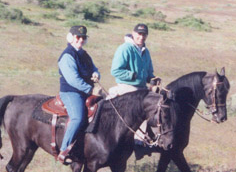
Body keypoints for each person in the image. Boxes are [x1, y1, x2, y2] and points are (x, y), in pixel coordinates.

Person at [110, 23, 161, 159]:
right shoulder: (125, 49)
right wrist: (132, 75)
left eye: (144, 34)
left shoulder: (145, 51)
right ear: (133, 34)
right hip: (127, 86)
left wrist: (153, 79)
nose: (141, 37)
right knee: (142, 108)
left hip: (141, 88)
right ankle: (139, 143)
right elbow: (115, 71)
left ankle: (156, 138)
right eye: (139, 34)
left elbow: (149, 72)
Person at [57, 25, 100, 163]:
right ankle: (64, 151)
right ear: (71, 38)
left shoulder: (84, 54)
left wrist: (95, 73)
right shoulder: (67, 56)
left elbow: (94, 68)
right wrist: (90, 89)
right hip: (71, 92)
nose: (80, 40)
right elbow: (73, 79)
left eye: (83, 38)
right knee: (77, 118)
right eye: (78, 37)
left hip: (86, 91)